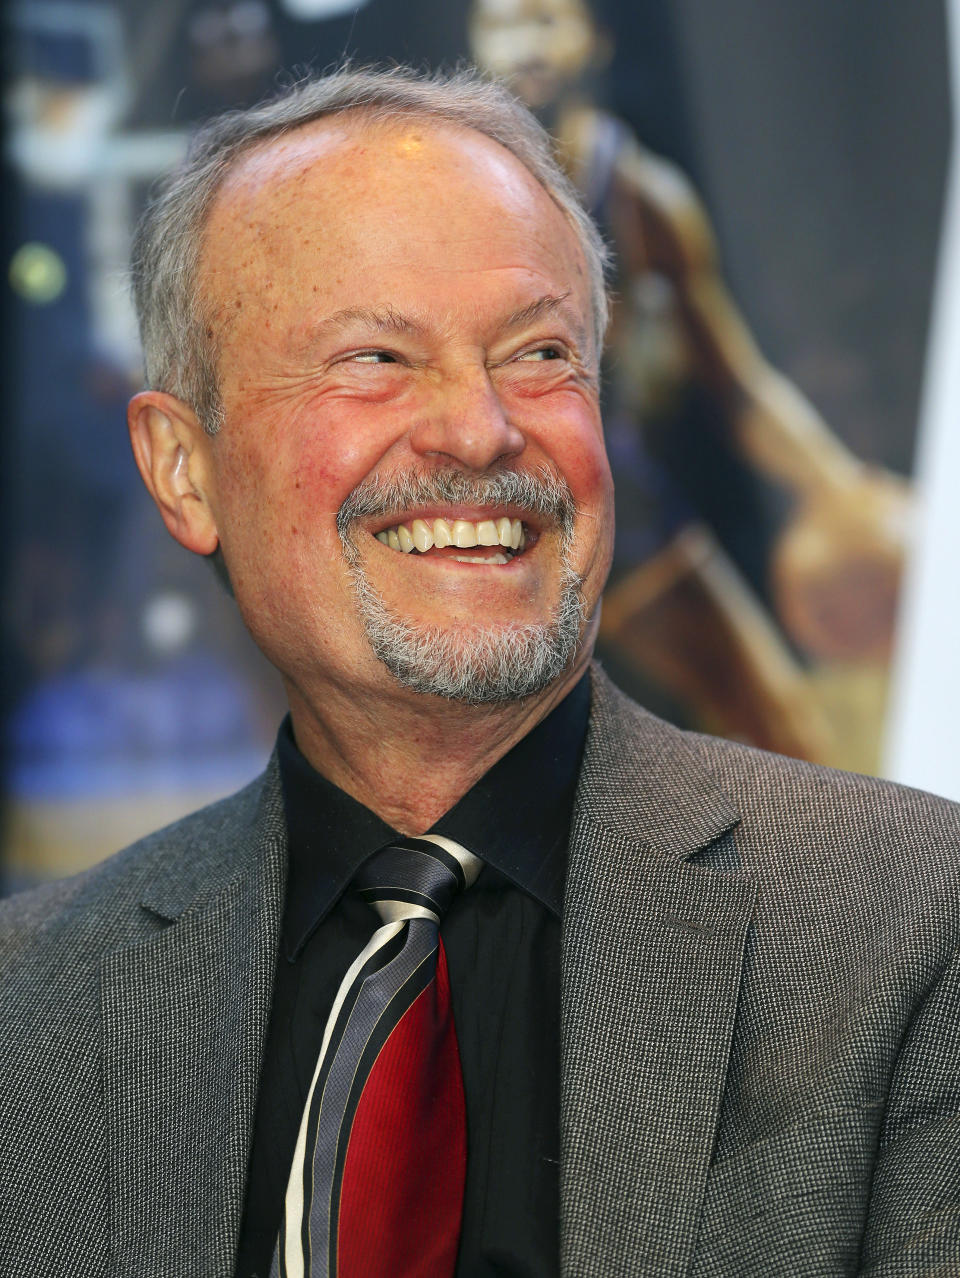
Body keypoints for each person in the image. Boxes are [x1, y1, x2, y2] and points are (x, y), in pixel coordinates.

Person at [1, 65, 958, 1278]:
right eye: (376, 359)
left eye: (539, 353)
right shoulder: (26, 1016)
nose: (480, 427)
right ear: (185, 470)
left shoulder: (914, 928)